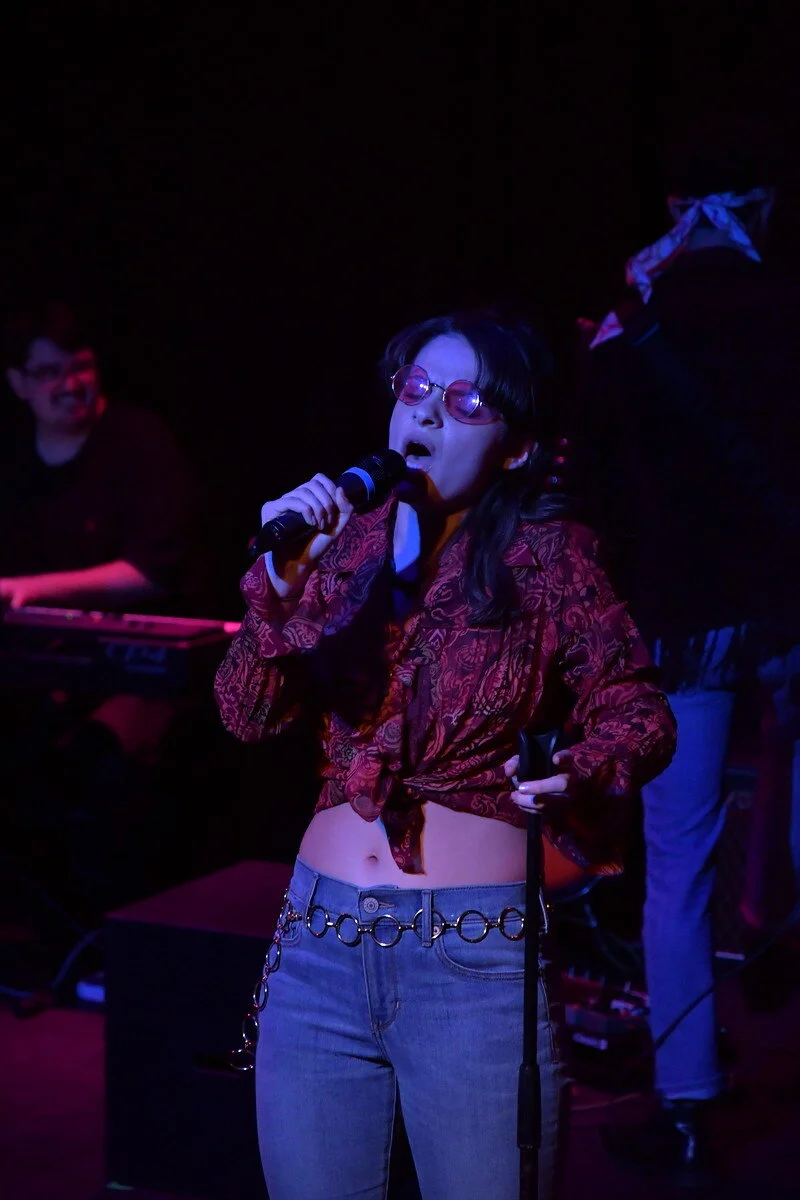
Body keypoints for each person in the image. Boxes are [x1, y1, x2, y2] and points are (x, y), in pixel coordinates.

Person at [213, 307, 677, 1200]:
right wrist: (278, 585)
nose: (425, 411)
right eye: (416, 389)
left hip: (472, 959)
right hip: (317, 943)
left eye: (465, 402)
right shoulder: (339, 547)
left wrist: (578, 766)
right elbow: (245, 714)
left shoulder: (551, 559)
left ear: (516, 447)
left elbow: (638, 709)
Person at [569, 115, 800, 1184]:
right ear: (764, 202)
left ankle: (689, 1106)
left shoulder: (629, 330)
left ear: (673, 209)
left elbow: (591, 495)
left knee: (678, 866)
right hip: (791, 610)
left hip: (682, 626)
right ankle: (774, 936)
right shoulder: (789, 310)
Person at [0, 298, 213, 930]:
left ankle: (110, 943)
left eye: (80, 366)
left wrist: (26, 591)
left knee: (104, 772)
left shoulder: (137, 442)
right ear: (18, 383)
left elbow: (151, 571)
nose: (70, 384)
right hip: (39, 673)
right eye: (49, 372)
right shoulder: (13, 458)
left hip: (141, 674)